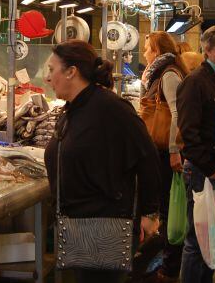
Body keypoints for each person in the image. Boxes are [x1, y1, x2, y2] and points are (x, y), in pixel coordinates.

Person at [43, 40, 161, 283]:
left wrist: (150, 212)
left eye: (51, 69)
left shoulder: (111, 108)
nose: (47, 78)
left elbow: (147, 157)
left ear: (71, 72)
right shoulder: (73, 108)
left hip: (104, 224)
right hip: (77, 222)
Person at [176, 25, 215, 283]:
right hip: (205, 172)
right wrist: (210, 170)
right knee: (198, 240)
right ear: (208, 49)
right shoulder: (195, 83)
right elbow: (188, 136)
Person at [138, 31, 189, 282]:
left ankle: (170, 268)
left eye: (147, 48)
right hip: (160, 151)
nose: (144, 52)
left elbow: (177, 113)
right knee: (167, 208)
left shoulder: (168, 74)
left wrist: (173, 150)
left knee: (170, 211)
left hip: (165, 151)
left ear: (157, 51)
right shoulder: (159, 73)